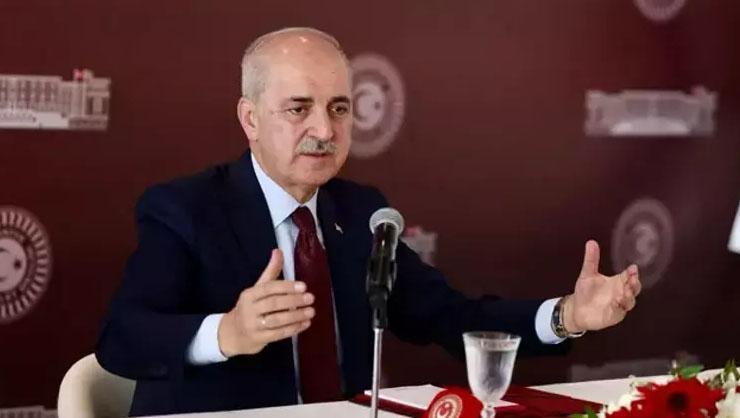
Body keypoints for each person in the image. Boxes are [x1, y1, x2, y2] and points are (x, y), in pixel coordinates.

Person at [96, 27, 641, 417]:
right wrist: (226, 332)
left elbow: (450, 316)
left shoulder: (360, 213)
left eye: (338, 108)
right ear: (250, 118)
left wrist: (568, 315)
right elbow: (123, 337)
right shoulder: (185, 209)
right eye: (298, 109)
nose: (324, 130)